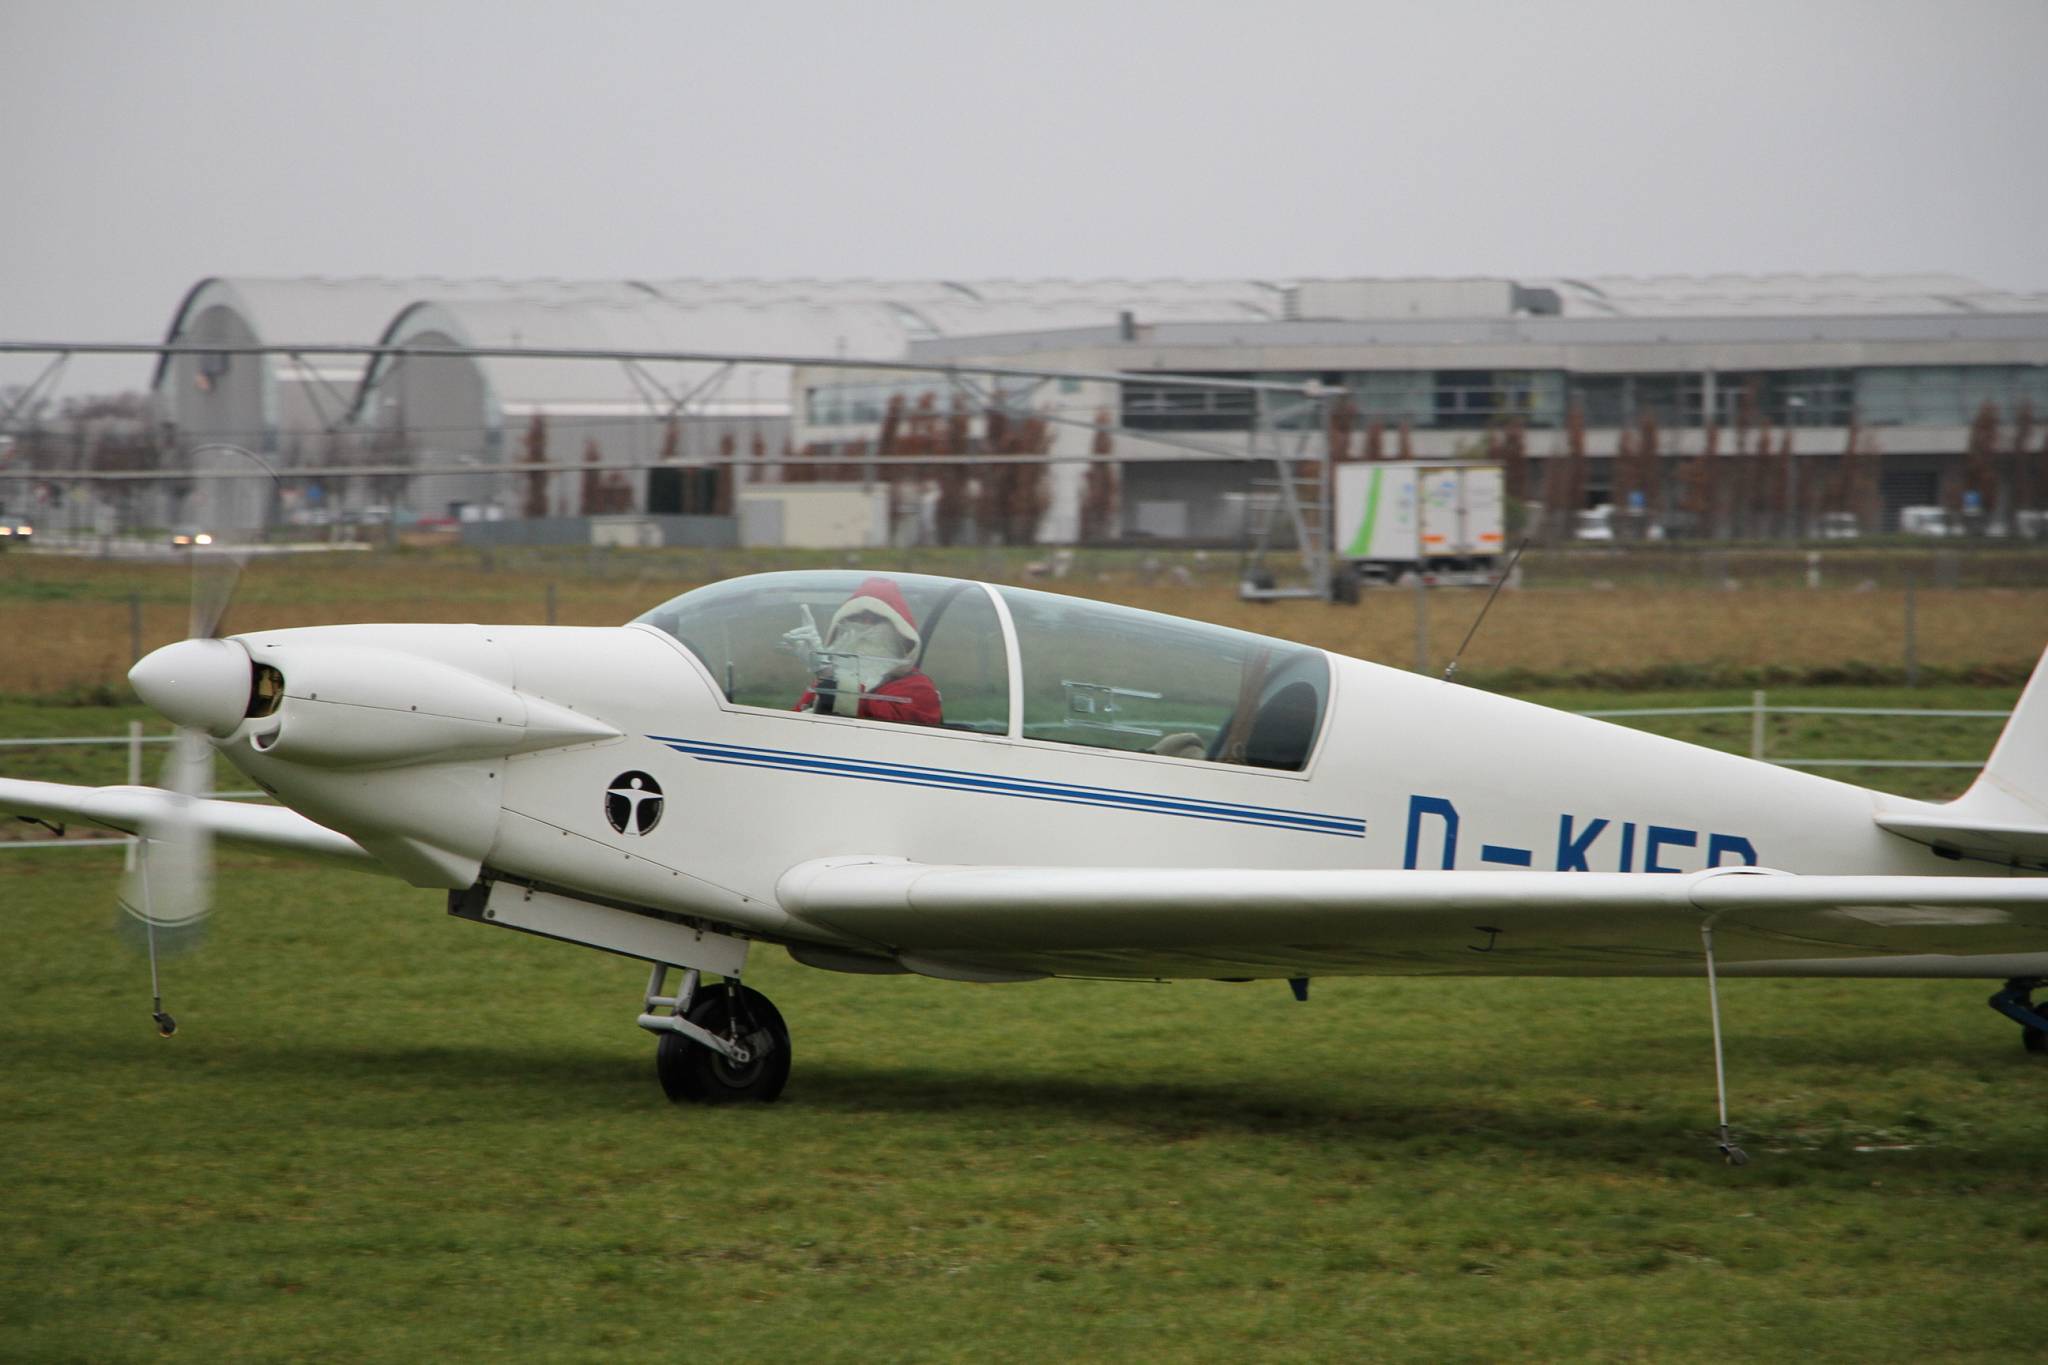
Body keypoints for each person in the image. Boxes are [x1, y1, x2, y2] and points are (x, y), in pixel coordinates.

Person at [793, 576, 943, 727]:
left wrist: (828, 675)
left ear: (900, 632)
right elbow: (794, 727)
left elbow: (879, 725)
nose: (865, 625)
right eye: (857, 617)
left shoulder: (917, 689)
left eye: (877, 619)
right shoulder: (824, 682)